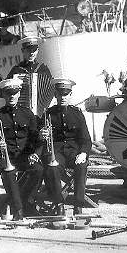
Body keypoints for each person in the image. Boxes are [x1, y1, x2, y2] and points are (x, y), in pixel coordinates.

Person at [0, 78, 43, 219]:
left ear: (19, 94)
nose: (12, 96)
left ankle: (27, 203)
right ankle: (18, 210)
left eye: (14, 93)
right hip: (6, 158)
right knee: (9, 172)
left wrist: (35, 154)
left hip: (24, 157)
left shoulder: (27, 113)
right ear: (3, 95)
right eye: (8, 93)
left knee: (38, 170)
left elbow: (35, 138)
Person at [40, 78, 92, 215]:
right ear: (55, 95)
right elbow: (40, 139)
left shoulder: (77, 114)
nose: (63, 97)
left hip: (74, 152)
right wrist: (42, 134)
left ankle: (78, 205)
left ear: (70, 95)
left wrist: (83, 153)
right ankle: (59, 204)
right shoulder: (48, 114)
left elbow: (86, 140)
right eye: (60, 94)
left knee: (82, 166)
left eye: (66, 94)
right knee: (53, 167)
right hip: (56, 152)